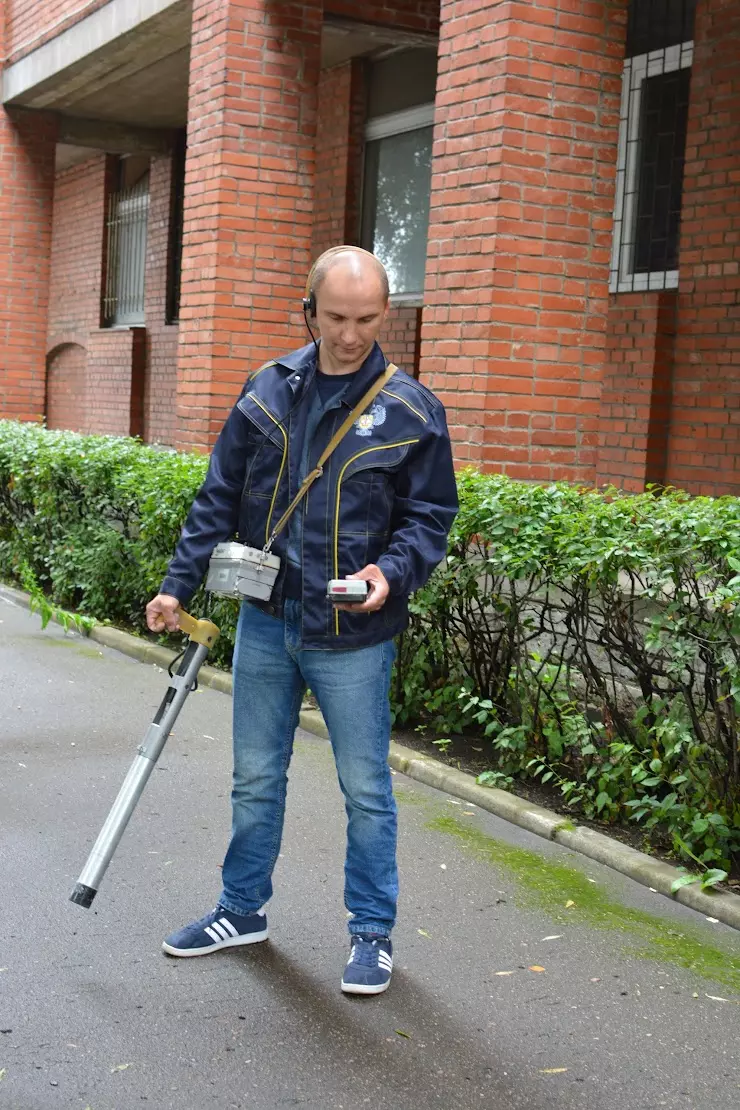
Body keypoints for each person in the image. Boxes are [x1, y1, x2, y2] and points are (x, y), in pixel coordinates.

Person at [146, 246, 458, 995]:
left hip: (354, 637)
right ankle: (241, 909)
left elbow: (430, 516)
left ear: (385, 315)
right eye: (337, 317)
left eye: (368, 318)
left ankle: (372, 934)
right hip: (266, 621)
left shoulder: (412, 410)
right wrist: (175, 588)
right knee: (255, 777)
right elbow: (217, 497)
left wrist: (392, 570)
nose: (351, 334)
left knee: (365, 788)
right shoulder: (266, 391)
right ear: (309, 309)